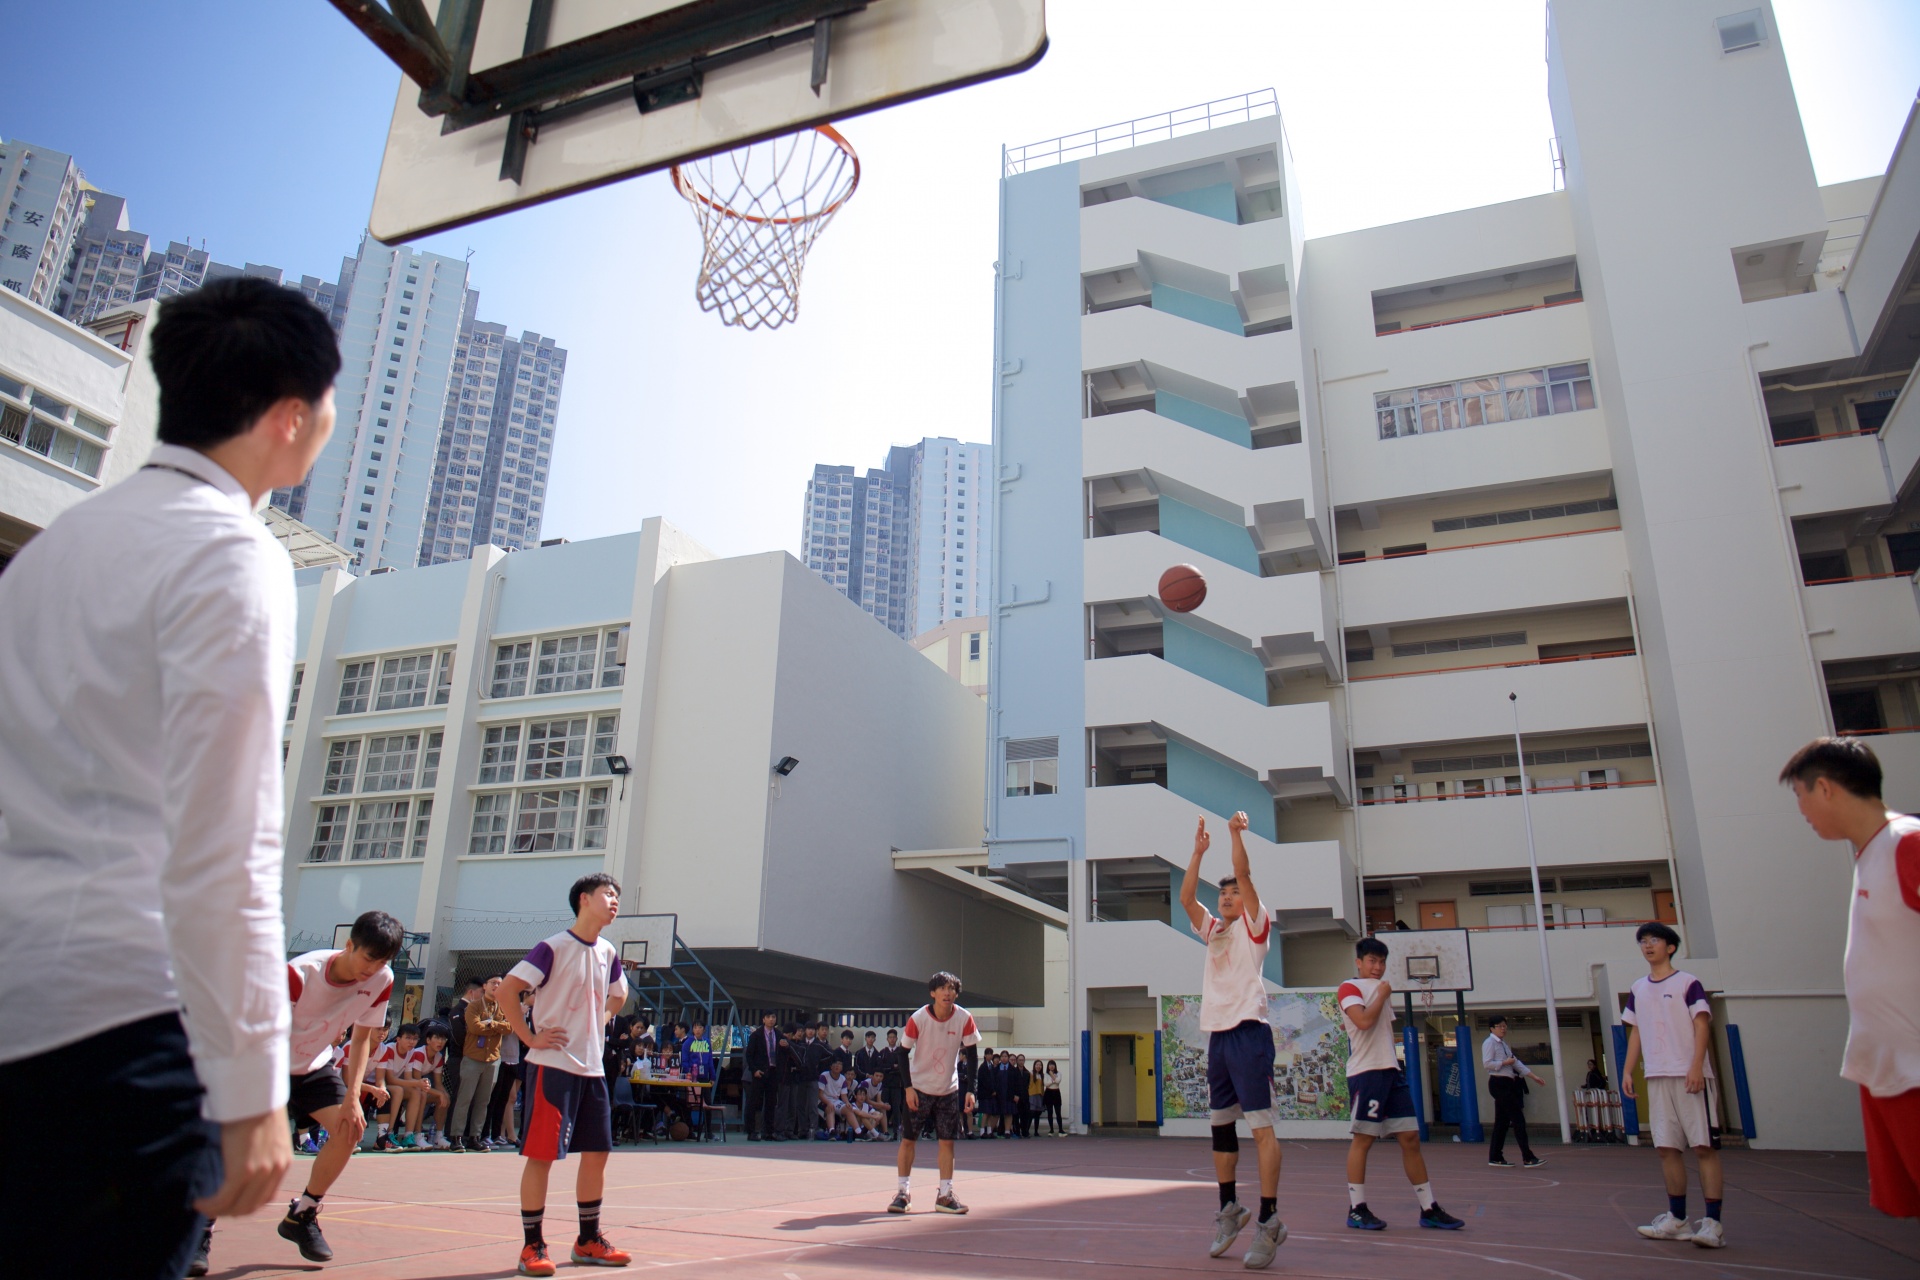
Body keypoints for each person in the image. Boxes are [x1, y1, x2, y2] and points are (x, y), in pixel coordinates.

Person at [0, 277, 340, 1278]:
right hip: (129, 1027)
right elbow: (226, 847)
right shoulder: (232, 551)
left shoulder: (52, 551)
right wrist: (253, 1084)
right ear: (291, 417)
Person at [196, 911, 404, 1273]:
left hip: (312, 1066)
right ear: (349, 945)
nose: (372, 969)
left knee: (349, 1129)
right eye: (369, 958)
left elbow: (361, 1039)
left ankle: (302, 1214)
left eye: (382, 961)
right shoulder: (298, 974)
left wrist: (353, 1097)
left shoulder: (381, 979)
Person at [1781, 736, 1920, 1221]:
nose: (1800, 810)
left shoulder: (1907, 842)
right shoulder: (1870, 854)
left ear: (1824, 788)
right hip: (1886, 1066)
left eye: (1799, 794)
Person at [498, 874, 634, 1276]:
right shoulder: (553, 947)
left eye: (617, 896)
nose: (614, 901)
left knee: (597, 1153)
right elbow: (507, 990)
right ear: (584, 899)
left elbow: (620, 994)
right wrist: (529, 1038)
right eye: (608, 894)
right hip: (553, 1066)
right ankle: (532, 1245)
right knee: (542, 1156)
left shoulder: (608, 951)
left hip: (592, 1068)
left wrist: (600, 1020)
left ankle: (588, 1239)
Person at [1177, 812, 1290, 1267]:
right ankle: (1230, 1208)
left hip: (1249, 1034)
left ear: (1247, 901)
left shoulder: (1254, 928)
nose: (1226, 896)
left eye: (1233, 893)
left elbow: (1244, 872)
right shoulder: (1215, 931)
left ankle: (1269, 1218)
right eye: (1222, 893)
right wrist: (1197, 853)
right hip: (1219, 1039)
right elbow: (1187, 899)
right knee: (1221, 1128)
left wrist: (1233, 834)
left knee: (1260, 1127)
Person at [1338, 936, 1465, 1234]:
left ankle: (1429, 1208)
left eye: (1382, 962)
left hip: (1391, 1072)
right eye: (1372, 961)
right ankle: (1357, 1208)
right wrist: (1382, 994)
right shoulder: (1349, 987)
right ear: (1359, 962)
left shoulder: (1380, 988)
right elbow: (1363, 1022)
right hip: (1366, 1073)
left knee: (1410, 1138)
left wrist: (1381, 995)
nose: (1377, 967)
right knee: (1363, 1139)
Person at [1620, 922, 1727, 1249]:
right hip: (1656, 1076)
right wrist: (1627, 1071)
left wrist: (1696, 1066)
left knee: (1703, 1147)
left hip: (1689, 1075)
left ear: (1670, 947)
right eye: (1643, 941)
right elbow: (1636, 1031)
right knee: (1666, 1148)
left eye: (1654, 939)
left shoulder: (1688, 983)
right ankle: (1677, 1221)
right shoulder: (1638, 988)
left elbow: (1702, 1025)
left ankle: (1713, 1224)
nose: (1647, 945)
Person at [889, 972, 981, 1216]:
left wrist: (971, 1090)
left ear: (956, 994)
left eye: (951, 989)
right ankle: (902, 1193)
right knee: (908, 1139)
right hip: (919, 1088)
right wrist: (908, 1087)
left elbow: (972, 1055)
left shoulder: (964, 1018)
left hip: (948, 1089)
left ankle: (945, 1195)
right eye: (942, 988)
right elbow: (902, 1053)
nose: (947, 993)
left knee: (947, 1141)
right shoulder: (919, 1018)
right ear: (933, 993)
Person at [452, 975, 512, 1152]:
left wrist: (491, 1024)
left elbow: (510, 1027)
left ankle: (475, 1137)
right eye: (493, 983)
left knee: (483, 1101)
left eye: (500, 984)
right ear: (485, 986)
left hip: (493, 1059)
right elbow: (474, 1027)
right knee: (465, 1098)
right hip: (473, 1057)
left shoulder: (504, 1006)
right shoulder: (474, 1005)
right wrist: (497, 1026)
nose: (496, 986)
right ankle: (456, 1137)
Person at [1482, 1015, 1547, 1168]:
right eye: (1500, 1026)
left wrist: (1533, 1076)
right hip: (1498, 1083)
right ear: (1492, 1028)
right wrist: (1505, 1062)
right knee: (1518, 1119)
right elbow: (1487, 1064)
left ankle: (1495, 1156)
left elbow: (1516, 1062)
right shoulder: (1489, 1043)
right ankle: (1528, 1157)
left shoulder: (1503, 1044)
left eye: (1505, 1026)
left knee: (1502, 1123)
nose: (1503, 1029)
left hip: (1507, 1083)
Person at [743, 1012, 785, 1141]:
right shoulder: (756, 1035)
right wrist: (754, 1070)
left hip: (773, 1072)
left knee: (771, 1103)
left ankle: (769, 1131)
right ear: (763, 1019)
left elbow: (783, 1054)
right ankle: (751, 1131)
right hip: (759, 1072)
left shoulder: (779, 1035)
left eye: (773, 1017)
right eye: (768, 1017)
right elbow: (749, 1055)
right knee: (754, 1102)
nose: (771, 1020)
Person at [820, 1059, 855, 1139]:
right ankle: (832, 1131)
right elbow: (820, 1094)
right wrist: (828, 1102)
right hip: (822, 1100)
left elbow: (843, 1096)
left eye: (839, 1064)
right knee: (831, 1107)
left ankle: (858, 1132)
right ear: (831, 1066)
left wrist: (847, 1102)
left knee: (849, 1109)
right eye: (835, 1064)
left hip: (836, 1101)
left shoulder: (843, 1078)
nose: (837, 1066)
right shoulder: (824, 1075)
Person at [882, 1029, 907, 1138]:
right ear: (887, 1039)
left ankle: (897, 1131)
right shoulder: (883, 1052)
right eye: (890, 1037)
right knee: (884, 1107)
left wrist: (892, 1069)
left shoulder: (900, 1052)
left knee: (896, 1108)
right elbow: (882, 1067)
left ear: (896, 1038)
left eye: (894, 1037)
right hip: (885, 1084)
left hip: (897, 1085)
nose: (892, 1039)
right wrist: (892, 1067)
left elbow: (902, 1067)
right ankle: (884, 1130)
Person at [1043, 1059, 1065, 1135]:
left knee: (1058, 1112)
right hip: (1048, 1093)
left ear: (1055, 1066)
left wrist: (1052, 1075)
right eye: (1050, 1065)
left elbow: (1058, 1081)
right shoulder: (1045, 1074)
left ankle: (1060, 1129)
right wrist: (1053, 1081)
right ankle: (1051, 1129)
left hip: (1056, 1093)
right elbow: (1046, 1084)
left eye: (1053, 1065)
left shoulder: (1059, 1073)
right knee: (1050, 1112)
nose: (1051, 1066)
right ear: (1048, 1066)